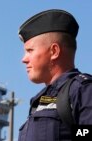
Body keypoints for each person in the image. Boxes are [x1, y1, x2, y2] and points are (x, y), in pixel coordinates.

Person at [18, 9, 92, 141]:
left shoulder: (82, 91)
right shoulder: (39, 101)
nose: (24, 59)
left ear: (54, 51)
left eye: (30, 51)